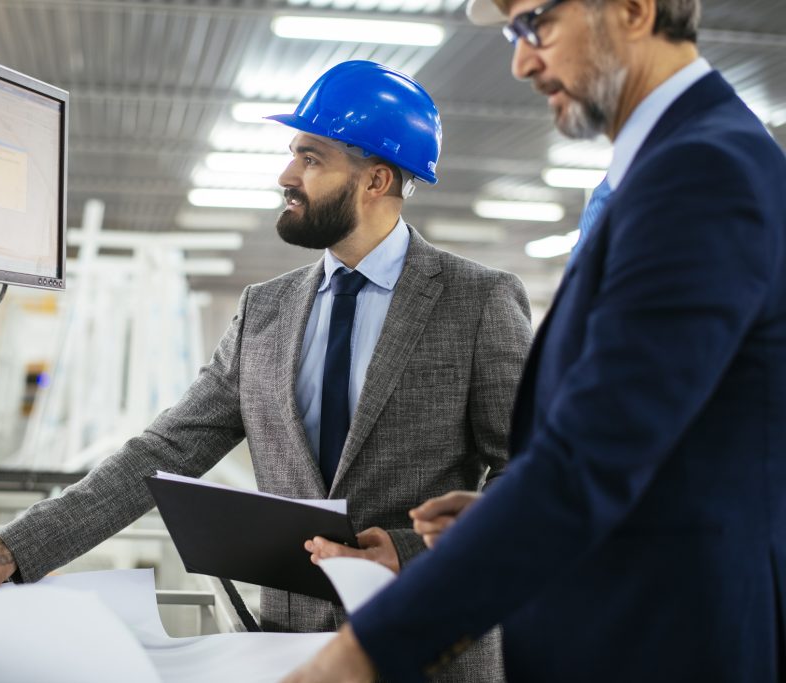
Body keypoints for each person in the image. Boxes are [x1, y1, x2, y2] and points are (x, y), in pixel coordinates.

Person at [0, 60, 532, 680]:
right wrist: (14, 548)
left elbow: (529, 475)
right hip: (291, 648)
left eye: (311, 159)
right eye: (293, 155)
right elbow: (165, 450)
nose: (286, 176)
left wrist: (409, 550)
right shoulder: (266, 310)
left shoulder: (477, 301)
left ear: (376, 179)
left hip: (432, 646)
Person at [283, 1, 786, 682]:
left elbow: (591, 457)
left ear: (634, 9)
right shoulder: (670, 166)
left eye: (535, 24)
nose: (521, 61)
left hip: (667, 642)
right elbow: (669, 443)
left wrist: (361, 653)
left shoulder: (701, 172)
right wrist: (499, 515)